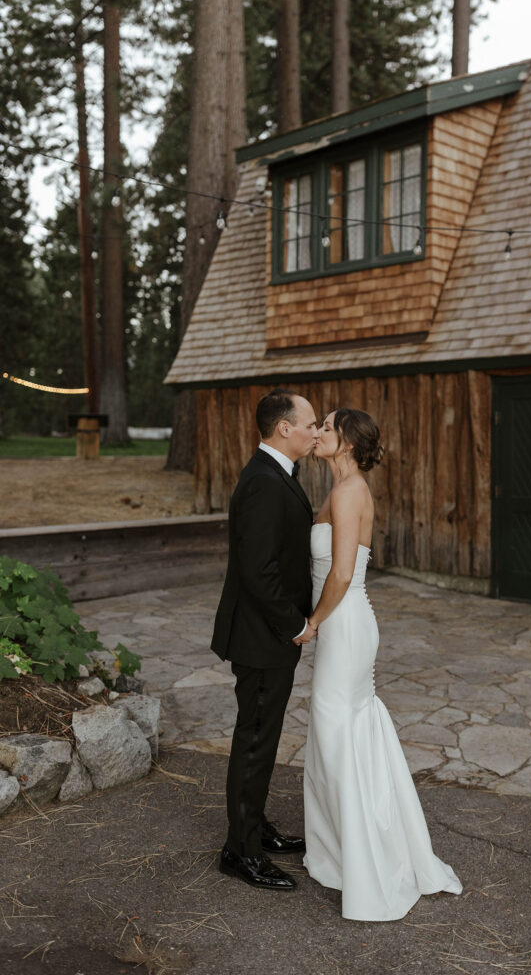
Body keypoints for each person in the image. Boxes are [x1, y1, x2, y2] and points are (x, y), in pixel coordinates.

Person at [302, 408, 463, 920]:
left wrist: (313, 623)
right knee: (334, 739)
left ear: (346, 441)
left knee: (336, 736)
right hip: (340, 624)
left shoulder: (351, 493)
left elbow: (344, 572)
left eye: (327, 426)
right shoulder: (337, 489)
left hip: (345, 624)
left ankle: (371, 861)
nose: (318, 432)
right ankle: (342, 851)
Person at [211, 388, 319, 891]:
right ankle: (241, 852)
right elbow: (258, 571)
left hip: (268, 635)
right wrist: (296, 624)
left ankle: (254, 827)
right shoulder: (263, 481)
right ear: (284, 429)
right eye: (310, 424)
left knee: (263, 737)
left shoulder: (278, 474)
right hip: (261, 636)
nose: (315, 432)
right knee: (254, 740)